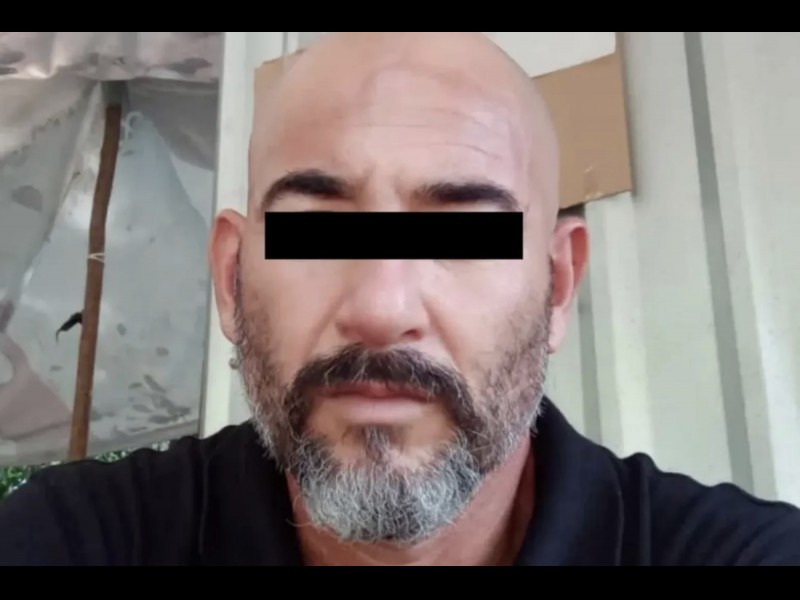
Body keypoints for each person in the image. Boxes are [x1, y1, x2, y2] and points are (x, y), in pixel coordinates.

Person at [1, 32, 799, 566]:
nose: (382, 309)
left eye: (463, 234)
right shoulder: (74, 540)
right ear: (232, 278)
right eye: (315, 230)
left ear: (558, 284)